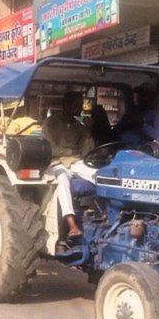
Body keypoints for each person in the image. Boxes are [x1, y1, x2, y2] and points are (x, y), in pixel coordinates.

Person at [42, 92, 96, 238]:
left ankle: (102, 216)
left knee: (99, 175)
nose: (80, 109)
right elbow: (50, 148)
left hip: (75, 163)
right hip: (56, 163)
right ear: (66, 105)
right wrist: (70, 151)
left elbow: (85, 154)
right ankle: (72, 224)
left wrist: (88, 133)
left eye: (81, 106)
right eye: (77, 105)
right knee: (62, 181)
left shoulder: (80, 127)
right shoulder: (50, 123)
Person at [115, 81, 159, 146]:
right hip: (120, 146)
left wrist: (142, 125)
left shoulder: (155, 114)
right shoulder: (132, 110)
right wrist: (125, 123)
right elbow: (116, 130)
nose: (140, 97)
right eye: (139, 94)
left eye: (144, 94)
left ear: (152, 97)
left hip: (140, 151)